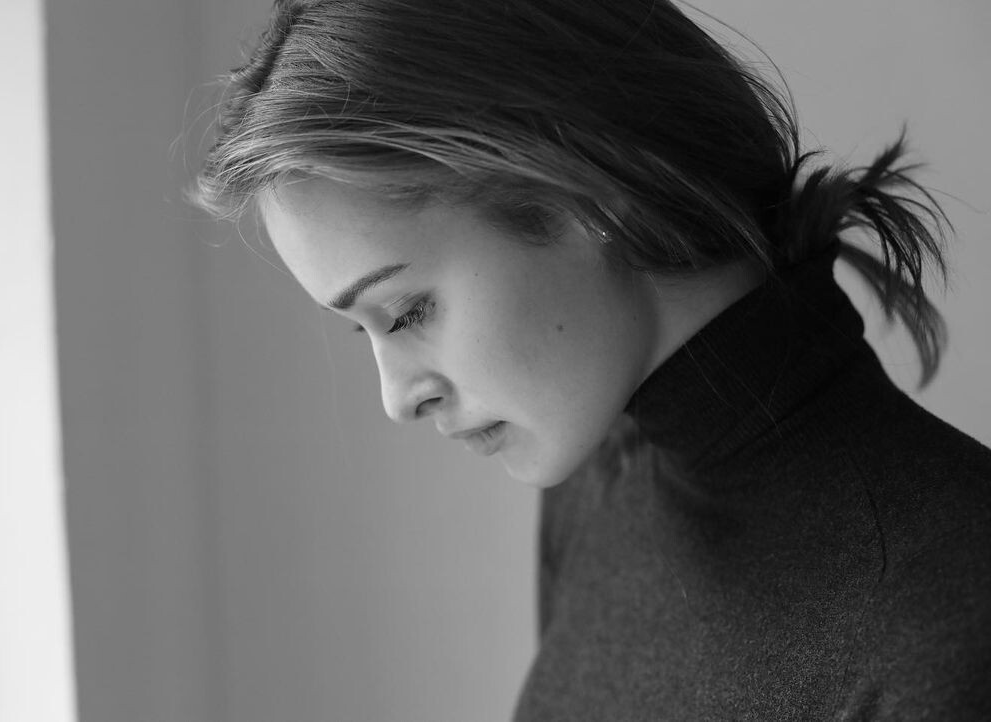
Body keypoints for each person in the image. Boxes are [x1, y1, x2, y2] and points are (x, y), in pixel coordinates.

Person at [191, 0, 991, 718]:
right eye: (361, 331)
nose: (398, 398)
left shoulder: (953, 617)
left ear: (589, 199)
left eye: (407, 311)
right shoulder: (601, 480)